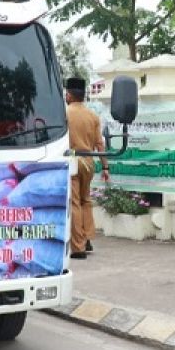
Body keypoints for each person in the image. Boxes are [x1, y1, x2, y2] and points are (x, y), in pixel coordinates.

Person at [66, 77, 108, 259]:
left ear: (68, 94)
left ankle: (78, 247)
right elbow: (100, 144)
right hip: (89, 161)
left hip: (73, 160)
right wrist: (105, 167)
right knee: (86, 200)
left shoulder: (64, 114)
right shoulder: (93, 116)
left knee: (74, 203)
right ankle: (87, 238)